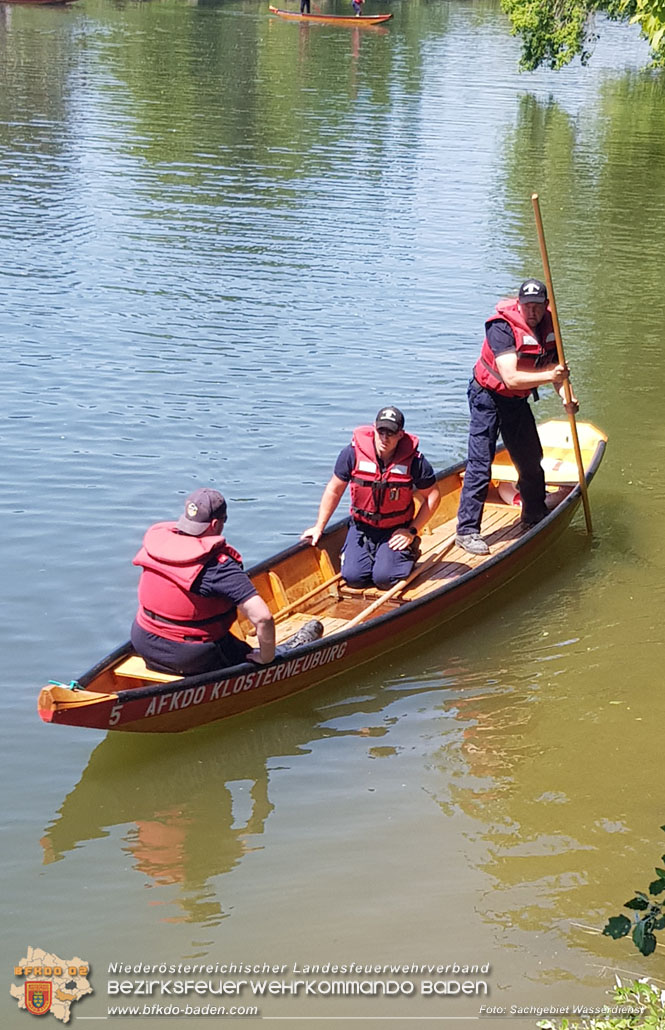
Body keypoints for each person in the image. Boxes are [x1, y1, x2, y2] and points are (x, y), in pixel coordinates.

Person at [455, 278, 578, 556]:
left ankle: (534, 512)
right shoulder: (501, 327)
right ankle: (466, 531)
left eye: (537, 306)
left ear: (545, 306)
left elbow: (557, 370)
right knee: (480, 462)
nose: (531, 312)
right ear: (519, 305)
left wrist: (565, 396)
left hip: (517, 400)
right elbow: (510, 377)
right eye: (527, 306)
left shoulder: (551, 327)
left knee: (531, 458)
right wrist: (552, 377)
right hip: (487, 396)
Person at [131, 488, 275, 676]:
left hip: (143, 640)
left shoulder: (158, 546)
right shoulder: (218, 566)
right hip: (188, 656)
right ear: (215, 524)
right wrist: (266, 657)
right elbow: (263, 618)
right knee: (258, 657)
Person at [301, 407, 441, 590]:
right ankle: (377, 557)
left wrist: (412, 531)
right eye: (381, 431)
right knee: (353, 578)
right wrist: (319, 526)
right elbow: (334, 490)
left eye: (391, 432)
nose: (385, 438)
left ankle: (408, 551)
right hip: (362, 528)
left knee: (384, 579)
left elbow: (433, 495)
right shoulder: (351, 454)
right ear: (374, 428)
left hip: (396, 530)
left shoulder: (415, 461)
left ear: (401, 434)